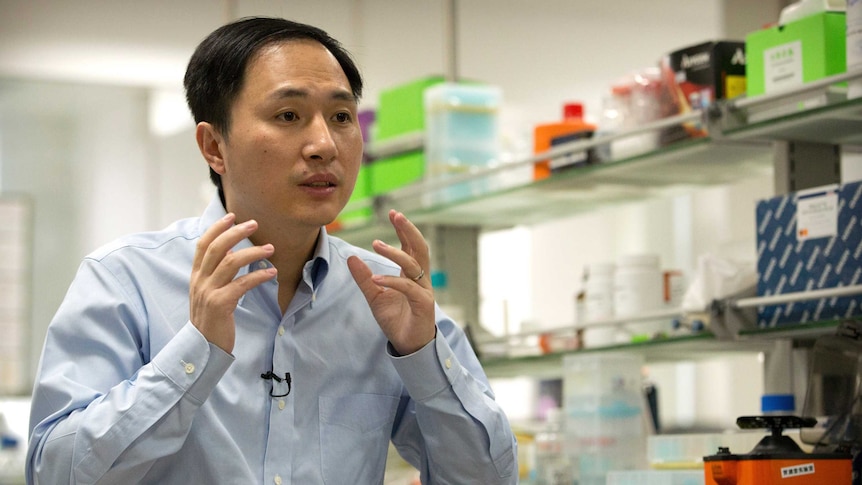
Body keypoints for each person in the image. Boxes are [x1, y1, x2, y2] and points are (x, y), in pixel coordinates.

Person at [26, 16, 518, 484]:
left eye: (342, 116)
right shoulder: (125, 280)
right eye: (289, 115)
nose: (324, 143)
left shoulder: (387, 294)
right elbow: (56, 473)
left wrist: (423, 355)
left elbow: (489, 478)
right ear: (214, 147)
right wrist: (194, 353)